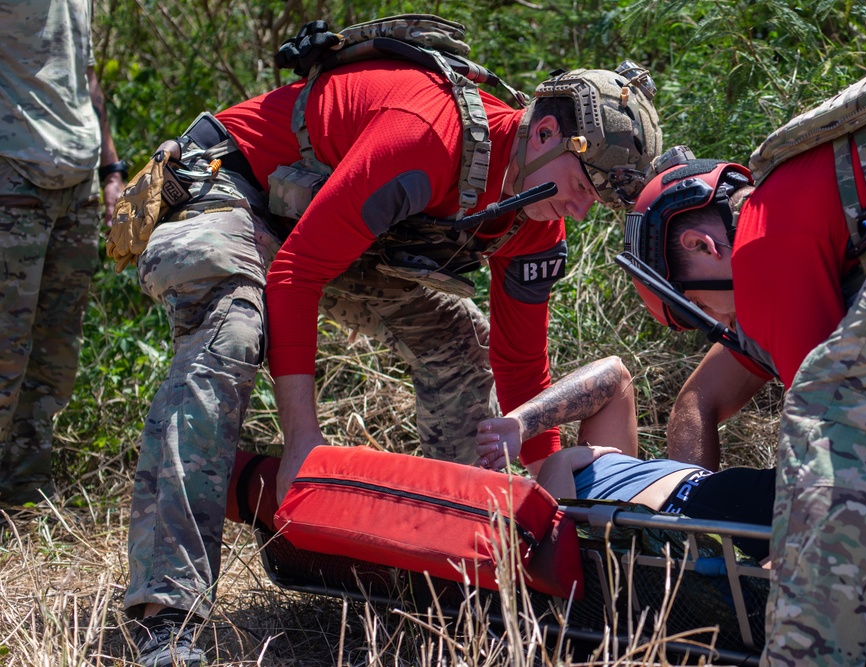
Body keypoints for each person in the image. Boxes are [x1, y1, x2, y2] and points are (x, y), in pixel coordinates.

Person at [115, 20, 661, 665]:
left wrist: (543, 497)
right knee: (230, 332)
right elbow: (295, 276)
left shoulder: (536, 219)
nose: (580, 210)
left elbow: (520, 365)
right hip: (235, 186)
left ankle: (469, 575)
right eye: (581, 186)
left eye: (598, 200)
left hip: (325, 226)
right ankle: (166, 615)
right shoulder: (425, 135)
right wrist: (302, 445)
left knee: (458, 341)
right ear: (543, 133)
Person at [625, 15, 866, 665]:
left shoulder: (760, 252)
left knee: (838, 445)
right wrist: (701, 537)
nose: (715, 326)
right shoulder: (815, 215)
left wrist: (793, 546)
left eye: (695, 312)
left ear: (698, 244)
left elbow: (839, 443)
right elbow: (698, 397)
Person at [477, 356, 866, 569]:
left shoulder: (592, 474)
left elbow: (613, 376)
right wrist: (547, 459)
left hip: (712, 502)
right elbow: (555, 513)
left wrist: (523, 421)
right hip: (702, 510)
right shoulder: (545, 500)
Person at [0, 0, 124, 506]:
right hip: (14, 175)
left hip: (79, 183)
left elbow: (85, 76)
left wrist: (112, 169)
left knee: (56, 352)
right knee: (5, 348)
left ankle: (23, 491)